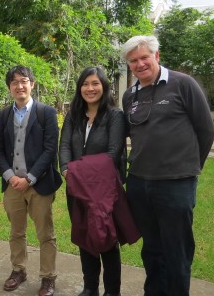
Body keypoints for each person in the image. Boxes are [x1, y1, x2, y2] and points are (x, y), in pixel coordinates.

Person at [120, 35, 214, 296]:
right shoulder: (130, 96)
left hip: (176, 184)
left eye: (144, 58)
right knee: (152, 248)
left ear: (157, 56)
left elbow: (206, 130)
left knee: (177, 250)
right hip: (139, 183)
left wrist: (190, 168)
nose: (140, 64)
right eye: (133, 61)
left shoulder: (183, 84)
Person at [0, 65, 61, 296]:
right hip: (13, 185)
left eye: (24, 81)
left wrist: (30, 178)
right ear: (9, 87)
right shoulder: (4, 115)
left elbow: (50, 150)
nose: (19, 86)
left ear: (32, 84)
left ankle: (48, 277)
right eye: (14, 82)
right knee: (16, 232)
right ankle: (18, 270)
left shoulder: (46, 113)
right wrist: (10, 176)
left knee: (45, 234)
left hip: (39, 184)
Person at [59, 67, 127, 296]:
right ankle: (90, 288)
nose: (90, 88)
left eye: (95, 83)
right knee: (83, 236)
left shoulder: (115, 116)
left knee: (106, 239)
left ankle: (112, 292)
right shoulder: (73, 115)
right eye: (86, 84)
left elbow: (113, 153)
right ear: (80, 87)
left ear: (104, 86)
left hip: (103, 190)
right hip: (76, 188)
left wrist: (78, 172)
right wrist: (67, 170)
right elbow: (65, 146)